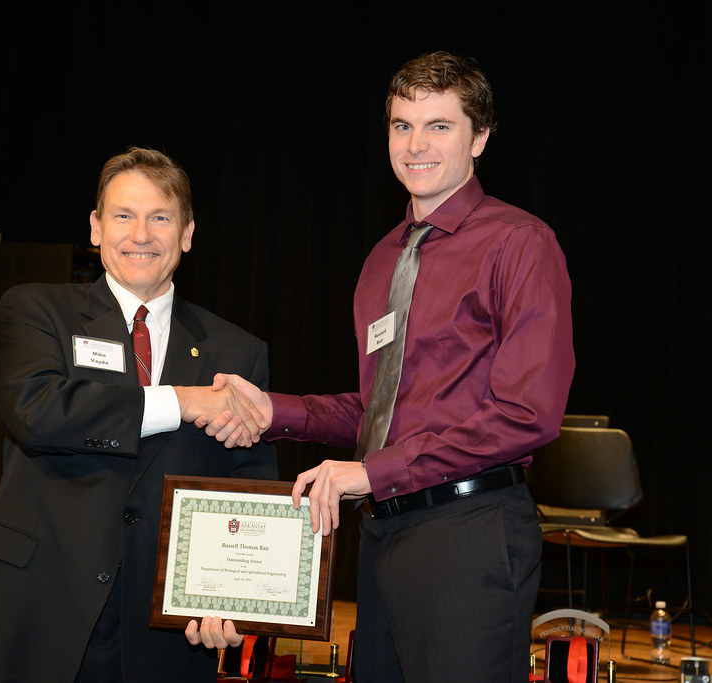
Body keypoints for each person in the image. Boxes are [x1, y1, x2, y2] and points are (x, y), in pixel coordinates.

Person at [210, 52, 575, 682]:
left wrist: (370, 472)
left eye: (439, 125)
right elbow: (380, 408)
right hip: (383, 538)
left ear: (480, 138)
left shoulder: (520, 243)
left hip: (469, 534)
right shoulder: (383, 259)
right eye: (402, 125)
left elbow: (526, 416)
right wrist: (277, 412)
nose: (416, 144)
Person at [0, 147, 277, 682]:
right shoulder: (36, 310)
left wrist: (230, 596)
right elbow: (37, 412)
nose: (141, 234)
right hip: (26, 612)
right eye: (123, 216)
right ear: (96, 227)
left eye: (160, 217)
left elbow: (248, 486)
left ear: (188, 233)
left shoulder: (238, 352)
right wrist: (183, 400)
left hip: (161, 635)